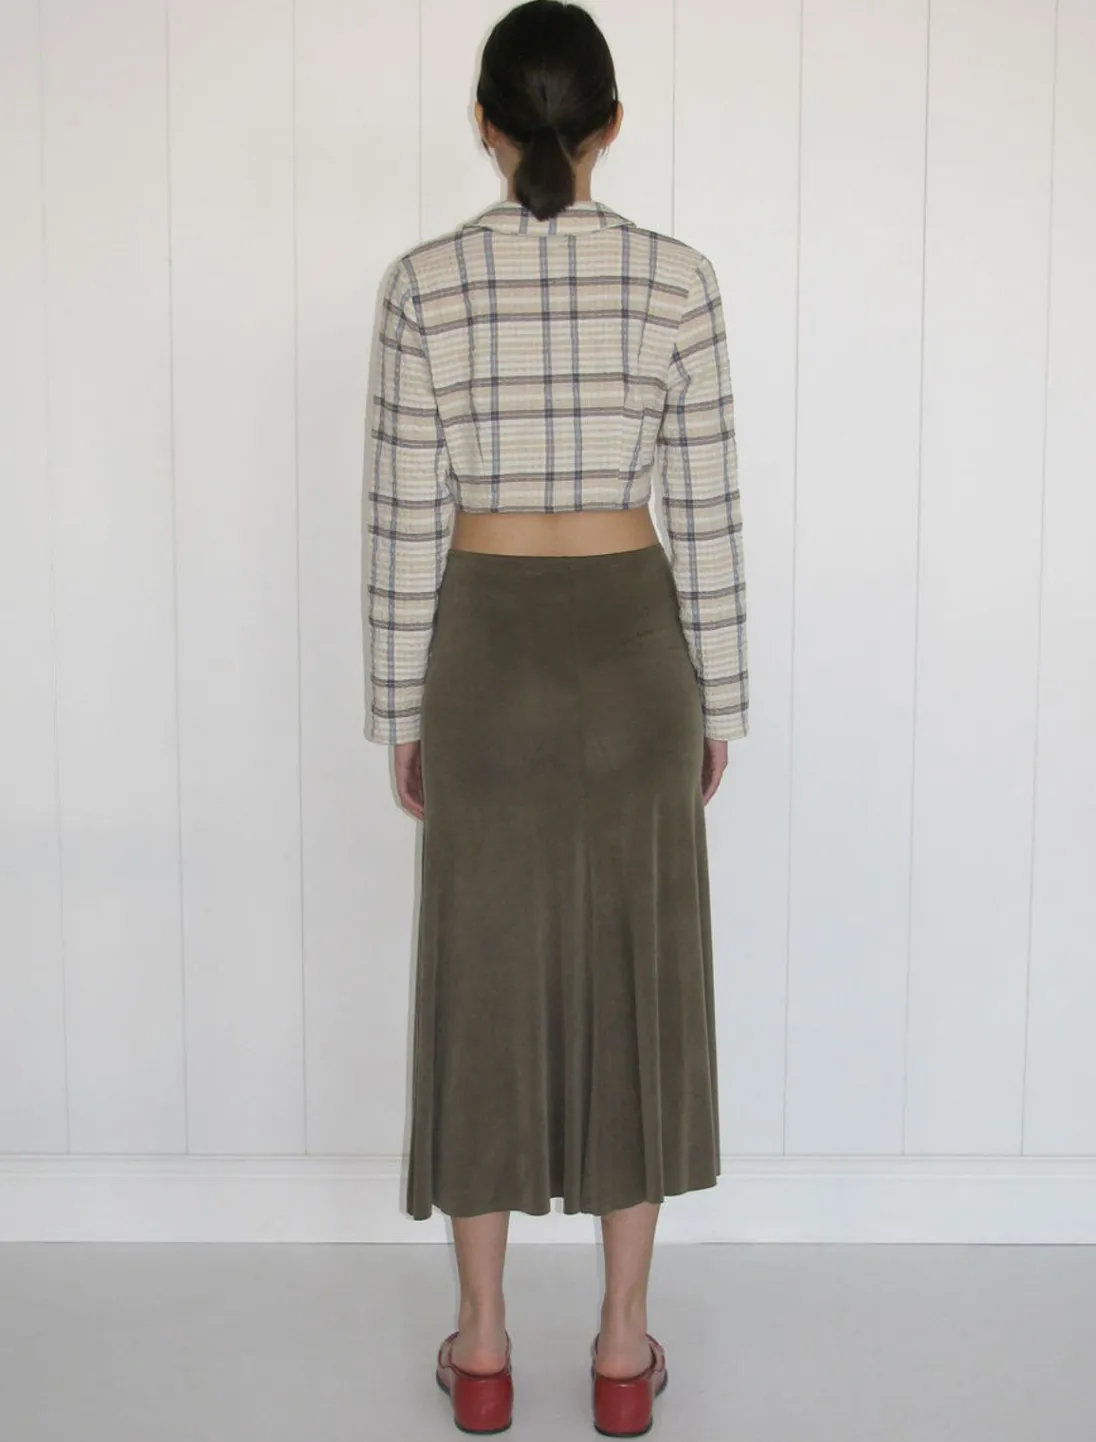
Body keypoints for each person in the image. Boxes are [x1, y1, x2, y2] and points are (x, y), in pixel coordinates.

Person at [362, 1, 748, 1433]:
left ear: (484, 123)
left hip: (484, 649)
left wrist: (402, 704)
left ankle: (481, 1349)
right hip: (637, 649)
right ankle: (621, 1350)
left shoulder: (423, 284)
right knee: (638, 980)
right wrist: (719, 698)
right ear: (610, 125)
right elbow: (706, 513)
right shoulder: (678, 280)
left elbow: (403, 517)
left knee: (481, 986)